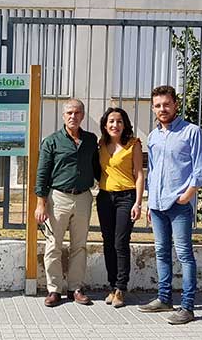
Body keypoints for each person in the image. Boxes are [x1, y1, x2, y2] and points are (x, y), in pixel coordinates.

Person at [138, 85, 202, 325]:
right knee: (161, 252)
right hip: (157, 204)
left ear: (175, 105)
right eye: (157, 105)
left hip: (178, 204)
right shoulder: (154, 136)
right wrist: (150, 201)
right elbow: (154, 170)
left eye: (166, 104)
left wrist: (187, 195)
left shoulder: (192, 132)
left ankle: (187, 307)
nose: (162, 109)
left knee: (184, 254)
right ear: (153, 108)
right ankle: (164, 298)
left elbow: (201, 170)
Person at [34, 98, 101, 307]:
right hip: (58, 198)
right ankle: (54, 290)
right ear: (64, 116)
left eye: (78, 113)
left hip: (83, 197)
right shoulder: (52, 141)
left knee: (79, 246)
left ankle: (75, 288)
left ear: (82, 116)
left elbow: (97, 168)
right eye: (70, 113)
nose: (73, 116)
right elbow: (42, 173)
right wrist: (40, 203)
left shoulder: (90, 140)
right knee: (53, 245)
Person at [96, 107, 144, 308]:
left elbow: (139, 173)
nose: (115, 125)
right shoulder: (101, 144)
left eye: (119, 121)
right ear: (105, 125)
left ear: (125, 125)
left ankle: (121, 288)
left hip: (126, 196)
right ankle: (112, 285)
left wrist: (138, 202)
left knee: (120, 242)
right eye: (111, 122)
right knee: (108, 242)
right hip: (105, 197)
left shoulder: (133, 144)